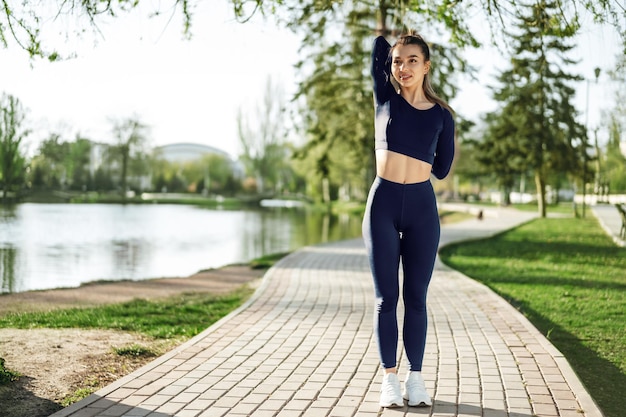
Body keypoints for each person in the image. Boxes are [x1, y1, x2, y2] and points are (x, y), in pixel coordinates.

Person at [362, 32, 455, 408]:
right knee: (387, 298)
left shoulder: (442, 116)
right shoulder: (384, 98)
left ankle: (416, 379)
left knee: (416, 298)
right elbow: (377, 50)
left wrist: (420, 152)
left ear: (426, 66)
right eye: (398, 61)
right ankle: (389, 378)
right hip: (382, 203)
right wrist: (396, 43)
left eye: (413, 60)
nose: (403, 67)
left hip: (420, 208)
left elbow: (443, 168)